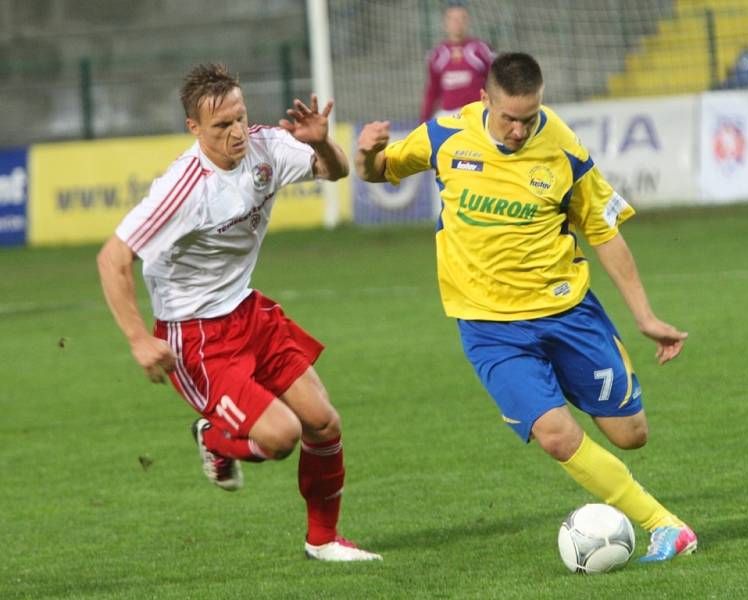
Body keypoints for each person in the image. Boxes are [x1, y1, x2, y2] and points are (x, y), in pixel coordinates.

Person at [356, 52, 697, 563]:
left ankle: (556, 382)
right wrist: (366, 155)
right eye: (509, 118)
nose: (519, 129)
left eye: (529, 117)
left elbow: (604, 233)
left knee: (631, 435)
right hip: (490, 327)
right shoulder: (446, 135)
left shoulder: (562, 147)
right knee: (557, 436)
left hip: (567, 313)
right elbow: (379, 172)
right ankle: (665, 526)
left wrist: (645, 316)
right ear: (484, 100)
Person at [97, 63, 381, 562]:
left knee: (324, 423)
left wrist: (320, 142)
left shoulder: (265, 145)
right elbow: (112, 258)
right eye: (220, 126)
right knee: (281, 437)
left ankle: (323, 540)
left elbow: (333, 172)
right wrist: (139, 338)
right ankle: (214, 437)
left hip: (248, 311)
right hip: (198, 336)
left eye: (239, 119)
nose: (235, 133)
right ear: (194, 129)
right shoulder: (183, 188)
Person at [419, 3, 494, 122]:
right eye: (453, 19)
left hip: (476, 113)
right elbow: (433, 90)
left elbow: (493, 82)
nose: (457, 23)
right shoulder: (437, 54)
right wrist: (423, 120)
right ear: (445, 23)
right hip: (449, 115)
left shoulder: (481, 49)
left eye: (462, 18)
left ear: (468, 21)